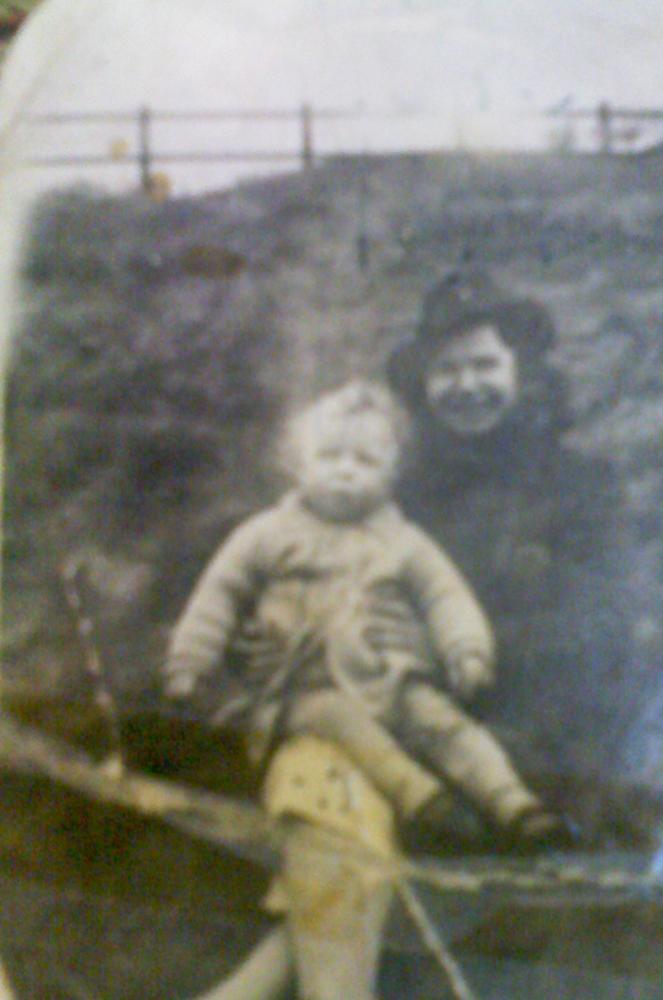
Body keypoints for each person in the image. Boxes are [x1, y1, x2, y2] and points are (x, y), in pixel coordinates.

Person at [165, 380, 570, 852]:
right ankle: (425, 801)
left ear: (391, 473)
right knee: (336, 717)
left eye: (365, 461)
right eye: (330, 456)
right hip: (302, 689)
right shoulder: (266, 534)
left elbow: (447, 598)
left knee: (441, 722)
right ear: (298, 464)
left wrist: (467, 651)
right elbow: (219, 594)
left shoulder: (404, 540)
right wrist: (189, 664)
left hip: (389, 676)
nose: (345, 472)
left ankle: (515, 805)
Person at [385, 267, 632, 834]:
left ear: (523, 374)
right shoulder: (399, 497)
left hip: (549, 730)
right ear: (422, 387)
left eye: (485, 364)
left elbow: (603, 629)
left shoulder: (583, 484)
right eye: (447, 369)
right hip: (424, 725)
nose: (467, 385)